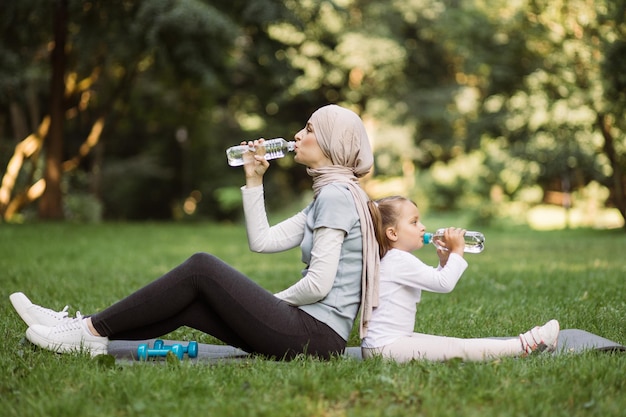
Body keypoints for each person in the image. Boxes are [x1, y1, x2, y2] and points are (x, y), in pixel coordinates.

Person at [9, 104, 380, 360]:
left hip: (313, 336)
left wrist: (267, 304)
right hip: (312, 335)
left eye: (310, 129)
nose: (298, 135)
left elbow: (318, 285)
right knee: (194, 303)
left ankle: (86, 331)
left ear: (332, 142)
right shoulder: (332, 195)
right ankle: (89, 333)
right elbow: (262, 242)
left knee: (202, 267)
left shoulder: (335, 195)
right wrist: (253, 180)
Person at [362, 195, 559, 362]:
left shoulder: (396, 259)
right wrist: (457, 250)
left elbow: (436, 278)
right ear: (392, 233)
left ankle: (523, 345)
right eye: (414, 222)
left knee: (450, 344)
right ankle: (526, 346)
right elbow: (444, 284)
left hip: (386, 344)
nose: (422, 227)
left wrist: (445, 261)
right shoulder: (399, 260)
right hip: (384, 348)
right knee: (457, 349)